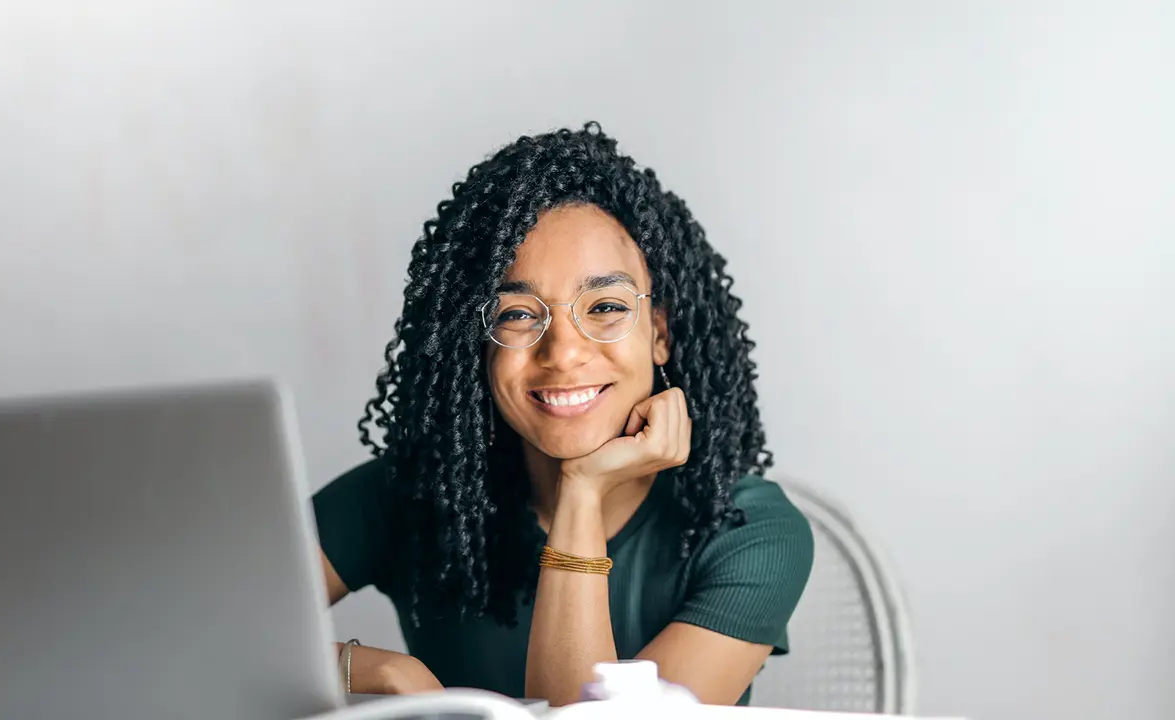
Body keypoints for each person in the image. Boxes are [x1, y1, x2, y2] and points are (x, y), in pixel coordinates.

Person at [311, 122, 814, 707]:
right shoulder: (410, 494)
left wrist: (582, 490)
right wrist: (375, 671)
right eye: (518, 315)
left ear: (660, 333)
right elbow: (192, 629)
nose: (564, 352)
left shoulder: (749, 531)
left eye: (604, 306)